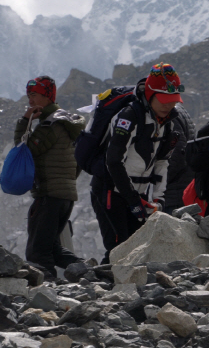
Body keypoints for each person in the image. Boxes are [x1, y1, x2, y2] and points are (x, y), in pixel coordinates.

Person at [90, 63, 181, 264]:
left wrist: (159, 199)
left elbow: (162, 163)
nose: (169, 105)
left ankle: (123, 289)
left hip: (137, 195)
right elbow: (113, 161)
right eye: (164, 100)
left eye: (173, 101)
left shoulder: (167, 124)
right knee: (120, 245)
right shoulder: (128, 117)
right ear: (150, 94)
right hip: (110, 190)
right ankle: (104, 290)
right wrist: (132, 200)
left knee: (135, 246)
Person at [14, 76, 86, 278]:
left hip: (49, 195)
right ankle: (86, 271)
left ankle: (48, 292)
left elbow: (24, 152)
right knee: (53, 248)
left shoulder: (49, 126)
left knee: (37, 252)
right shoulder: (68, 122)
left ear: (47, 96)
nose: (30, 101)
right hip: (65, 195)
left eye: (34, 95)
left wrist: (24, 121)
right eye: (29, 95)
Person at [163, 102, 195, 214]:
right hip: (181, 189)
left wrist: (157, 180)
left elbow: (176, 157)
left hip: (173, 193)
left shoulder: (170, 115)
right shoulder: (177, 110)